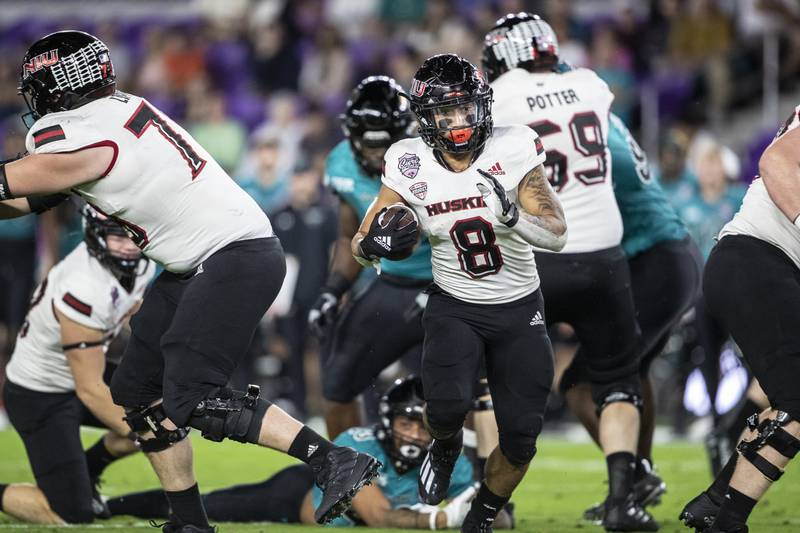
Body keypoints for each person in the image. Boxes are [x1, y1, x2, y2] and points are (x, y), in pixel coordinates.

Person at [0, 30, 378, 532]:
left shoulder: (80, 135)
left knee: (189, 396)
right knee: (136, 390)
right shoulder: (114, 112)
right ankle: (189, 521)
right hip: (204, 258)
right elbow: (34, 196)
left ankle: (331, 460)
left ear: (55, 85)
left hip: (230, 255)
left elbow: (23, 180)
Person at [352, 53, 567, 533]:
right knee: (446, 409)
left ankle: (483, 515)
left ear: (482, 106)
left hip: (518, 307)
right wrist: (375, 244)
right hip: (456, 305)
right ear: (426, 118)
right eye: (445, 114)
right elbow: (361, 245)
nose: (458, 123)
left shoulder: (512, 148)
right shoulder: (407, 161)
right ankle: (446, 444)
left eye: (465, 109)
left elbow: (557, 233)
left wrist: (513, 215)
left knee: (521, 439)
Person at [483, 12, 657, 531]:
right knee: (620, 381)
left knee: (493, 375)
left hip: (540, 254)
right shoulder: (590, 84)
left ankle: (495, 504)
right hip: (605, 255)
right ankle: (623, 500)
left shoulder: (501, 96)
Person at [107, 376, 513, 529]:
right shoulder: (360, 444)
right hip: (297, 495)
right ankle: (111, 505)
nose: (412, 434)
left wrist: (486, 511)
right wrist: (446, 517)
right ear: (387, 423)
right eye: (405, 423)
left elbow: (503, 520)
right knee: (213, 505)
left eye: (420, 425)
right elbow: (378, 517)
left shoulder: (451, 461)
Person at [563, 111, 703, 523]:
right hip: (669, 257)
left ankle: (635, 479)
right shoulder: (597, 116)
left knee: (581, 383)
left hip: (652, 262)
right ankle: (641, 473)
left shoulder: (568, 123)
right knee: (633, 368)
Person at [679, 107, 800, 532]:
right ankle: (726, 520)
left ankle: (716, 500)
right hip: (757, 262)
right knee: (797, 400)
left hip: (756, 267)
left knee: (780, 397)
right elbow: (776, 160)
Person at [0, 206, 153, 524]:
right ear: (97, 234)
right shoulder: (82, 285)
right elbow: (90, 389)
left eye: (133, 234)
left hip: (78, 374)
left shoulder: (142, 264)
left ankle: (88, 470)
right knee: (70, 514)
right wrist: (145, 431)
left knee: (164, 411)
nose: (128, 244)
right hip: (40, 394)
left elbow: (131, 315)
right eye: (117, 235)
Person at [308, 75, 431, 439]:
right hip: (392, 283)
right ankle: (354, 478)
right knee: (338, 384)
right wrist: (333, 289)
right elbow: (348, 234)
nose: (376, 155)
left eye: (385, 144)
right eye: (367, 143)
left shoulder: (429, 156)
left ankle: (469, 482)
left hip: (449, 283)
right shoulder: (340, 163)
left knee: (465, 389)